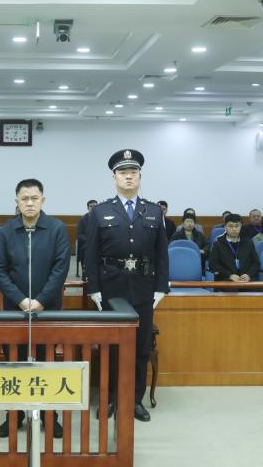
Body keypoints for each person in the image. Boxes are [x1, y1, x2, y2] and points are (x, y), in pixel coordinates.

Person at [84, 149, 169, 422]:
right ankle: (109, 399)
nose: (128, 177)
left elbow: (161, 253)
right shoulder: (100, 212)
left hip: (144, 287)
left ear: (140, 176)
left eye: (133, 172)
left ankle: (134, 400)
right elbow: (90, 254)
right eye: (123, 172)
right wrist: (94, 289)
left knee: (141, 347)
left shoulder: (154, 211)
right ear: (114, 178)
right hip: (111, 287)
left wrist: (161, 287)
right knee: (110, 347)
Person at [0, 178, 70, 438]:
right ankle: (13, 416)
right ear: (17, 201)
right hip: (15, 310)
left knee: (47, 362)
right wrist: (21, 300)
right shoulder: (7, 231)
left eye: (34, 198)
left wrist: (41, 301)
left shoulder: (57, 229)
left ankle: (49, 415)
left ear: (43, 200)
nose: (29, 203)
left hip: (47, 309)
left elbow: (61, 269)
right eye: (24, 198)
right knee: (15, 362)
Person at [209, 213, 260, 283]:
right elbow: (213, 265)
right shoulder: (218, 244)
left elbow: (256, 263)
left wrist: (248, 275)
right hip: (226, 280)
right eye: (230, 226)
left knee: (261, 288)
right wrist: (230, 275)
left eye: (237, 226)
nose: (234, 229)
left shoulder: (248, 243)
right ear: (225, 227)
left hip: (246, 280)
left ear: (241, 226)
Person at [76, 199, 98, 276]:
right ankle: (85, 271)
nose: (93, 208)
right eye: (91, 206)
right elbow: (80, 235)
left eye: (95, 206)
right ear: (87, 208)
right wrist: (90, 241)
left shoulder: (102, 218)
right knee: (85, 249)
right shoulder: (83, 220)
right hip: (87, 244)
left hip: (99, 243)